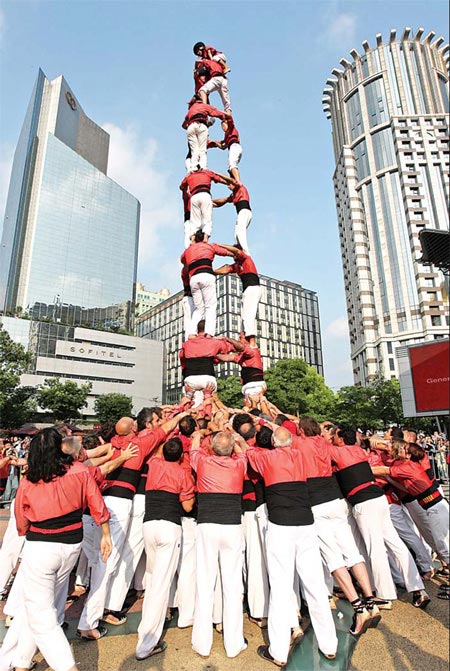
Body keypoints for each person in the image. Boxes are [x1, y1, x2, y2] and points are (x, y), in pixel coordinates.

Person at [0, 428, 111, 671]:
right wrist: (106, 534)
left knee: (42, 615)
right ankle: (20, 661)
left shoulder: (30, 480)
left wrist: (28, 532)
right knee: (40, 606)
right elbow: (97, 504)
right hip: (71, 543)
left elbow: (21, 520)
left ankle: (67, 667)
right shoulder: (79, 471)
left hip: (41, 545)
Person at [78, 412, 190, 638]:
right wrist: (182, 414)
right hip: (120, 505)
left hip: (106, 499)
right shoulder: (138, 445)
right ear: (134, 429)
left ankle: (104, 610)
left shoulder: (112, 444)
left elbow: (84, 457)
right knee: (107, 560)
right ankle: (87, 622)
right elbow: (164, 430)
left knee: (113, 558)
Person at [246, 427, 338, 666]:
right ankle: (329, 645)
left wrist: (236, 439)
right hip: (306, 525)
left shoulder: (266, 458)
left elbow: (247, 451)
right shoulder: (300, 454)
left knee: (280, 586)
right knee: (315, 585)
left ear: (274, 444)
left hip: (281, 527)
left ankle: (278, 651)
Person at [295, 417, 381, 636]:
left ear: (301, 431)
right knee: (352, 552)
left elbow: (279, 430)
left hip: (316, 503)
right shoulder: (325, 443)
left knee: (333, 559)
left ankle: (359, 608)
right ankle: (371, 601)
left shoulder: (299, 442)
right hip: (336, 500)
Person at [330, 427, 430, 609]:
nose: (331, 438)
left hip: (364, 503)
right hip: (379, 500)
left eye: (334, 436)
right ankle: (418, 588)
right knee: (396, 544)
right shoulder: (359, 450)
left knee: (375, 550)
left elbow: (313, 444)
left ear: (342, 440)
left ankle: (384, 596)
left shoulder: (338, 451)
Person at [190, 430, 248, 659]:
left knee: (205, 582)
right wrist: (236, 440)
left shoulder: (202, 461)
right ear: (231, 449)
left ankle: (202, 643)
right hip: (232, 526)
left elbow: (194, 447)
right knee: (233, 584)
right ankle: (233, 644)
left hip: (207, 526)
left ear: (213, 448)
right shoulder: (239, 464)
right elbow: (244, 452)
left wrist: (198, 433)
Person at [136, 438, 195, 660]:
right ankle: (146, 642)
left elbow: (158, 451)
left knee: (153, 578)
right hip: (170, 527)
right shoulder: (182, 473)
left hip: (149, 525)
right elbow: (188, 505)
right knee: (160, 585)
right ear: (181, 456)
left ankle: (149, 628)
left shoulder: (154, 464)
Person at [180, 230, 235, 336]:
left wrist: (192, 245)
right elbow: (225, 253)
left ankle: (191, 333)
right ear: (205, 237)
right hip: (207, 276)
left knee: (198, 308)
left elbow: (183, 261)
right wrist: (235, 254)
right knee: (210, 306)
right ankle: (209, 333)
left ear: (195, 239)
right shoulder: (210, 246)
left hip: (194, 279)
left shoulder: (187, 251)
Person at [214, 244, 261, 343]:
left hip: (253, 288)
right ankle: (244, 338)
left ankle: (252, 341)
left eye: (233, 254)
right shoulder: (237, 265)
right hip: (247, 290)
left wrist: (219, 245)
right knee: (244, 316)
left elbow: (236, 251)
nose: (232, 255)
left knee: (248, 315)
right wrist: (211, 271)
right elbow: (226, 269)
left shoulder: (246, 258)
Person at [179, 320, 232, 405]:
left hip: (190, 378)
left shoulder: (186, 344)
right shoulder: (214, 342)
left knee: (191, 406)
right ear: (209, 330)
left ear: (197, 330)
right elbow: (228, 348)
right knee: (211, 404)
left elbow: (182, 357)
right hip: (207, 377)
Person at [179, 168, 235, 240]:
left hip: (194, 197)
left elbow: (181, 187)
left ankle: (193, 239)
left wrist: (186, 184)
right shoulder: (207, 172)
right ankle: (205, 238)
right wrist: (230, 183)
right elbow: (219, 179)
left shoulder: (189, 176)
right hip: (205, 194)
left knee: (195, 221)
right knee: (207, 219)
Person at [182, 97, 228, 172]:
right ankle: (203, 167)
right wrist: (225, 117)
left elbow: (183, 125)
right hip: (202, 126)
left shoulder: (191, 109)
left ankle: (193, 167)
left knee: (194, 150)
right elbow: (215, 112)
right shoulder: (204, 106)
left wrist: (189, 125)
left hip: (191, 127)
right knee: (202, 149)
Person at [213, 182, 252, 252]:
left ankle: (246, 252)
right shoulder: (233, 195)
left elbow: (235, 173)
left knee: (240, 233)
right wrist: (209, 202)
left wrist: (230, 170)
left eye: (230, 184)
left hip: (244, 211)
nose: (228, 187)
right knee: (236, 236)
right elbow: (223, 201)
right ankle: (240, 250)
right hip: (242, 213)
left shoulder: (240, 187)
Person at [208, 115, 242, 182]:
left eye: (223, 125)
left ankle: (238, 182)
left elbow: (230, 118)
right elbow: (223, 147)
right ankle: (235, 181)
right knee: (231, 168)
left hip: (234, 146)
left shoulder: (231, 128)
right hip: (233, 148)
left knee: (232, 165)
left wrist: (222, 116)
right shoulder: (226, 135)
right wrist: (215, 142)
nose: (223, 128)